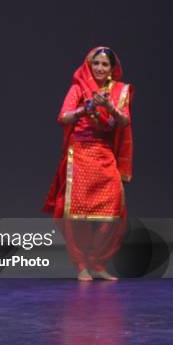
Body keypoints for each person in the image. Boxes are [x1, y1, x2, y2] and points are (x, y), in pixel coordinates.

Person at [43, 47, 133, 281]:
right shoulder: (78, 88)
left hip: (104, 154)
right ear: (89, 65)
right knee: (77, 214)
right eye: (96, 64)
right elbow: (63, 117)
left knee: (114, 211)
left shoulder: (119, 91)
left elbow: (123, 122)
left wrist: (110, 107)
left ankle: (98, 263)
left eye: (105, 65)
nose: (100, 69)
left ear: (112, 69)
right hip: (80, 154)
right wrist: (87, 108)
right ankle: (81, 264)